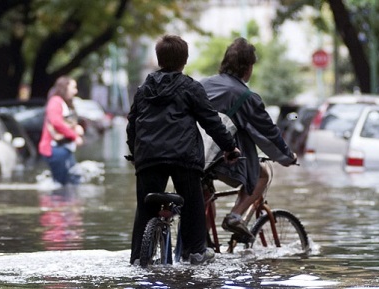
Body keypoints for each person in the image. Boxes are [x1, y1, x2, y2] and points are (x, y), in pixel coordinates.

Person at [126, 35, 241, 265]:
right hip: (184, 157)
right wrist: (230, 147)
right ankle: (196, 251)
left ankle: (139, 256)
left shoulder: (143, 89)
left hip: (148, 157)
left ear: (159, 59)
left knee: (145, 207)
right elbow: (211, 122)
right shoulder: (190, 87)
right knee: (192, 204)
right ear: (185, 60)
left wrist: (135, 154)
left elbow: (132, 125)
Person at [200, 37, 298, 241]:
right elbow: (268, 132)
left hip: (193, 155)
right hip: (224, 158)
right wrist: (287, 157)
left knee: (204, 214)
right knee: (262, 174)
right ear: (248, 67)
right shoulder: (245, 96)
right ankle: (236, 215)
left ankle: (196, 249)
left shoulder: (202, 85)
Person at [39, 76, 85, 186]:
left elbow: (64, 122)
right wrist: (75, 136)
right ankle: (59, 202)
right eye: (73, 87)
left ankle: (69, 202)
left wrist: (76, 128)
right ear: (65, 88)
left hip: (63, 149)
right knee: (64, 184)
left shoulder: (63, 103)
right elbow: (56, 122)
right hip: (55, 149)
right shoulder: (55, 102)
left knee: (74, 180)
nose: (76, 91)